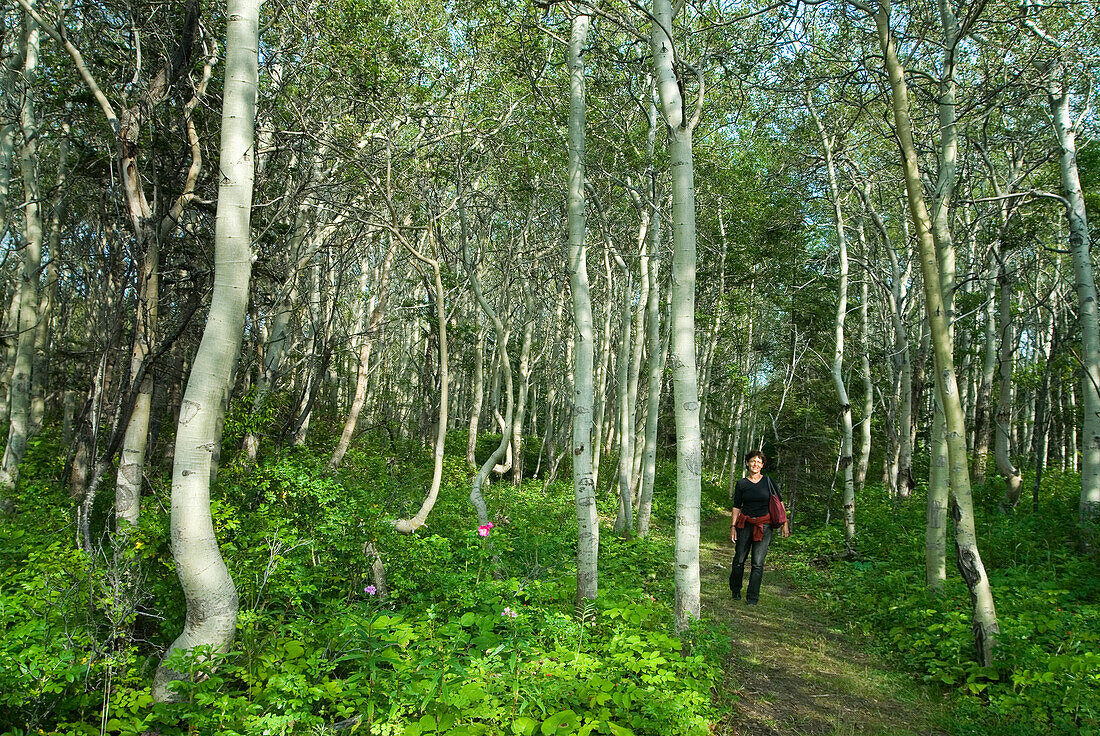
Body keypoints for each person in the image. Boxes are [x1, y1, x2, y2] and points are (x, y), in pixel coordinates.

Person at [729, 450, 789, 604]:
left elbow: (779, 503)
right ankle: (735, 590)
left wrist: (785, 524)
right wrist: (733, 527)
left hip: (765, 527)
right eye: (753, 461)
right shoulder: (741, 484)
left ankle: (752, 597)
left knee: (757, 563)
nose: (755, 464)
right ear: (747, 463)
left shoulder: (769, 482)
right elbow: (737, 506)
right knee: (739, 560)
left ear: (762, 465)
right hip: (745, 525)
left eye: (759, 461)